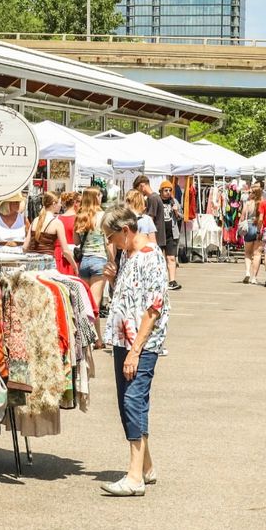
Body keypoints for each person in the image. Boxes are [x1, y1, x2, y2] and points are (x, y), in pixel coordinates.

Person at [99, 206, 169, 497]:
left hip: (140, 342)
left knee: (132, 401)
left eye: (111, 236)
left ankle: (134, 476)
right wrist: (113, 279)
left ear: (125, 231)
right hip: (123, 339)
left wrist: (136, 350)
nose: (110, 243)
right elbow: (131, 296)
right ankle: (146, 467)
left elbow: (153, 307)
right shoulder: (128, 256)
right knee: (129, 402)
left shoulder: (151, 257)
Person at [74, 188, 113, 348]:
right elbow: (108, 241)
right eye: (99, 194)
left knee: (86, 301)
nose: (101, 196)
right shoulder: (103, 216)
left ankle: (98, 339)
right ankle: (89, 337)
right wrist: (112, 260)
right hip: (99, 259)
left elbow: (76, 240)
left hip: (84, 261)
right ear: (95, 197)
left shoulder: (80, 216)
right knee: (94, 303)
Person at [25, 190, 76, 274]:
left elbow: (25, 247)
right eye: (59, 203)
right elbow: (66, 251)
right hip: (47, 265)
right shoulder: (57, 223)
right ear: (54, 204)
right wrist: (75, 267)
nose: (61, 205)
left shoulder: (35, 220)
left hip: (31, 266)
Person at [158, 180, 183, 291]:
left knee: (171, 258)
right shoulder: (157, 201)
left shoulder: (174, 201)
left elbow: (181, 216)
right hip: (159, 233)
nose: (168, 192)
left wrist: (176, 211)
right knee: (158, 258)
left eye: (169, 190)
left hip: (171, 233)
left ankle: (172, 281)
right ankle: (158, 281)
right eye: (165, 190)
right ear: (161, 191)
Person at [133, 175, 167, 252]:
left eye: (138, 190)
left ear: (142, 186)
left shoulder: (153, 198)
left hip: (155, 237)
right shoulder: (153, 197)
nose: (138, 193)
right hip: (157, 237)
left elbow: (150, 219)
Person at [238, 183, 263, 284]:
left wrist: (239, 228)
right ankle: (254, 277)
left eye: (250, 192)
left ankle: (247, 272)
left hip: (248, 227)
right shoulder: (262, 204)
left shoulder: (247, 204)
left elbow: (242, 217)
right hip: (258, 228)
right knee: (257, 254)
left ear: (254, 194)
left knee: (248, 253)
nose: (248, 194)